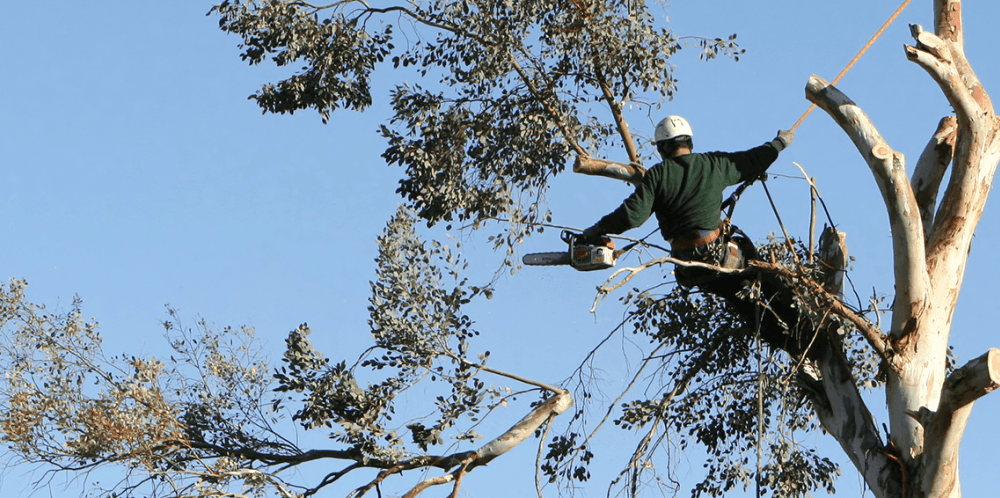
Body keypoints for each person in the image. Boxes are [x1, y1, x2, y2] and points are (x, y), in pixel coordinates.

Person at [581, 115, 794, 286]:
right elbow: (751, 160)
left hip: (687, 267)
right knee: (763, 274)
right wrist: (778, 143)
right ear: (689, 142)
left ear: (662, 148)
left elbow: (631, 216)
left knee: (739, 296)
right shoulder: (713, 164)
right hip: (720, 258)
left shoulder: (657, 175)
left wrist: (598, 229)